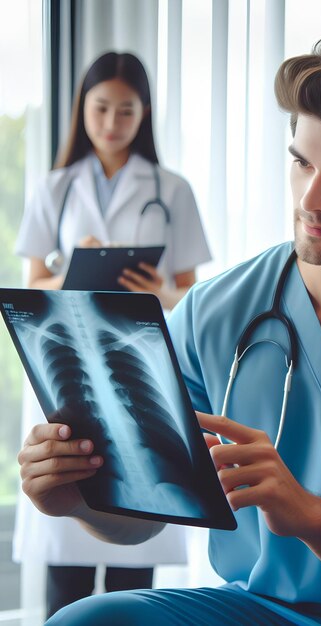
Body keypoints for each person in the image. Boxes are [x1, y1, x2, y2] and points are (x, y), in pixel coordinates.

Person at [20, 32, 321, 625]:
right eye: (302, 162)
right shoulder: (214, 312)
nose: (312, 198)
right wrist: (77, 498)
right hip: (257, 610)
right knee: (85, 621)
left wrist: (310, 514)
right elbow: (144, 515)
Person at [13, 51, 212, 618]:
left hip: (138, 358)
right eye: (101, 108)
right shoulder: (56, 186)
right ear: (83, 110)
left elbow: (187, 292)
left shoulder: (171, 188)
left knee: (134, 550)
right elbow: (33, 282)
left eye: (126, 111)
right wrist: (81, 267)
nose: (111, 122)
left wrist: (154, 287)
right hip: (69, 354)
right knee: (66, 536)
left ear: (143, 114)